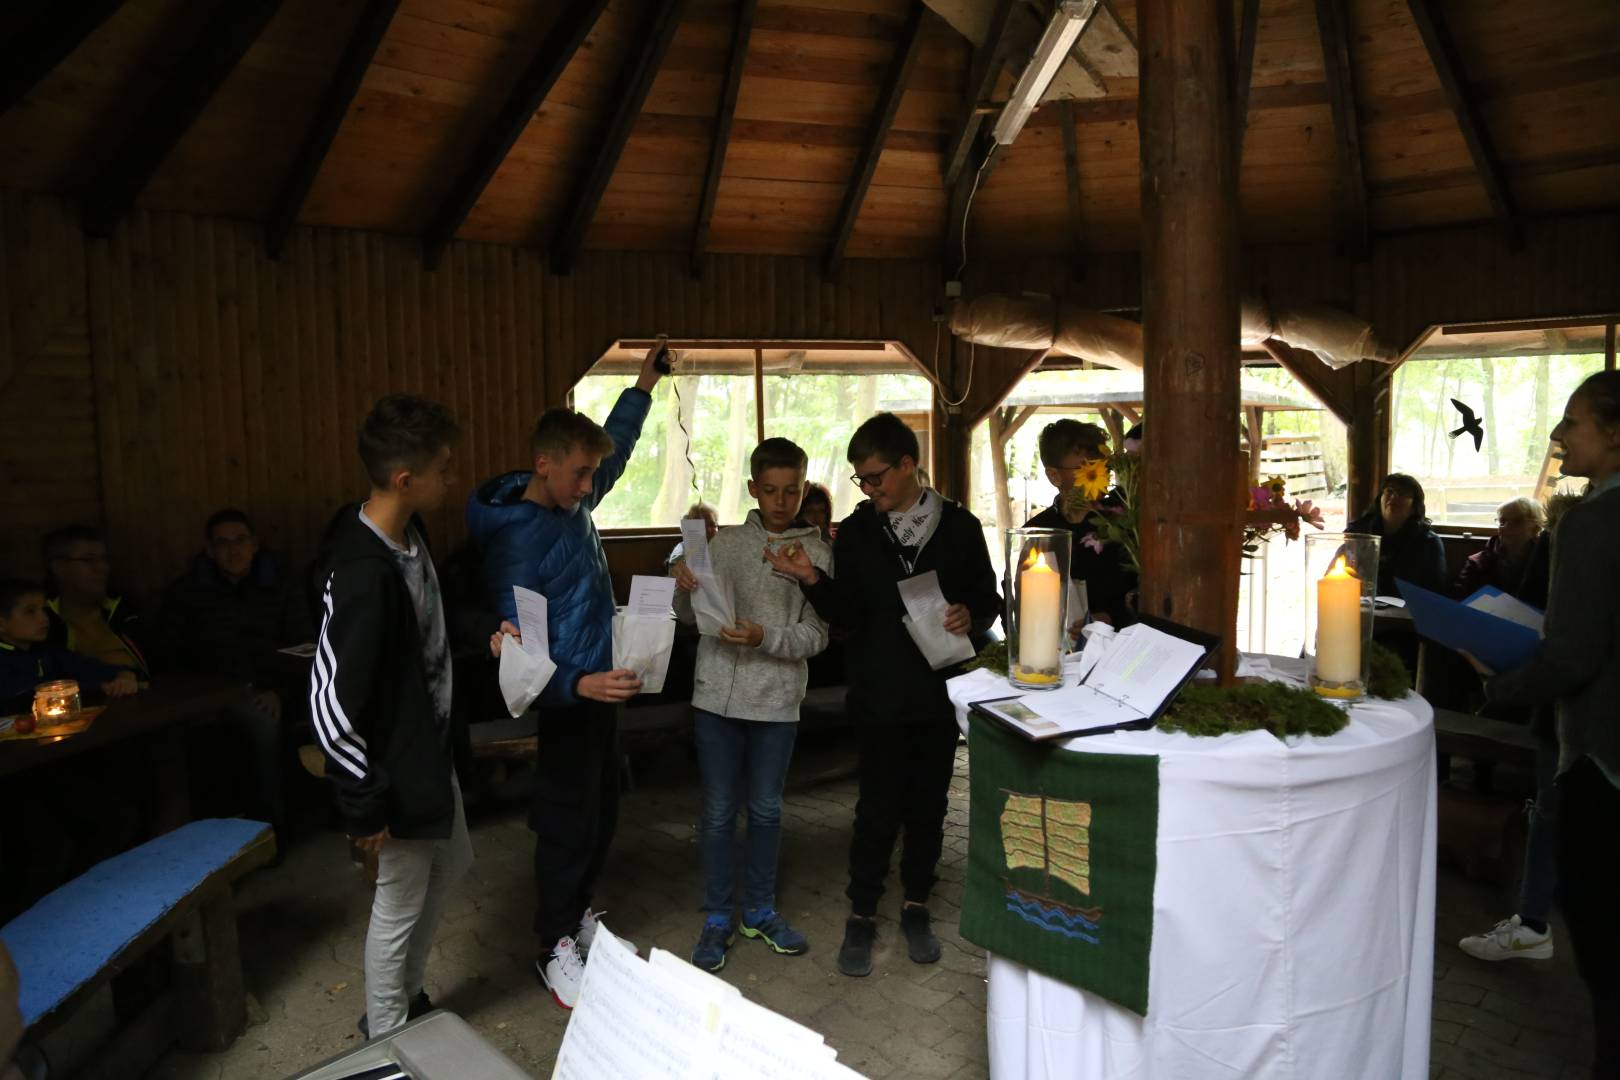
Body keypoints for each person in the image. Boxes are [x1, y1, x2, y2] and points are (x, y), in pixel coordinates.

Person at [765, 413, 1000, 978]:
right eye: (861, 481)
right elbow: (847, 613)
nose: (868, 490)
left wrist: (972, 613)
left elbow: (988, 600)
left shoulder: (960, 528)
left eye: (876, 478)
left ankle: (917, 903)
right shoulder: (861, 532)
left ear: (907, 465)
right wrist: (811, 581)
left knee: (930, 806)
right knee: (875, 808)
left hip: (937, 694)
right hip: (876, 695)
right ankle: (863, 911)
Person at [466, 343, 665, 1008]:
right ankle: (553, 944)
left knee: (603, 813)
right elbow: (515, 662)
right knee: (563, 823)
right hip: (565, 702)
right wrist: (578, 686)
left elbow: (619, 445)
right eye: (580, 475)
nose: (590, 488)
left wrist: (643, 385)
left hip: (600, 694)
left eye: (591, 478)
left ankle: (579, 916)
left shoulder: (572, 503)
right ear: (543, 464)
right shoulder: (514, 541)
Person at [309, 395, 485, 1041]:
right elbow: (329, 700)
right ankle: (387, 1031)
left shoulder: (411, 534)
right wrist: (364, 804)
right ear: (406, 479)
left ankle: (408, 996)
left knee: (454, 861)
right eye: (444, 468)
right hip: (396, 767)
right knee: (400, 901)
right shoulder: (359, 570)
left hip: (432, 750)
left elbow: (428, 630)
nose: (453, 478)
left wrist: (485, 630)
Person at [1462, 371, 1620, 1078]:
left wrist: (1501, 686)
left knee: (1605, 943)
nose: (1558, 435)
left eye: (1574, 421)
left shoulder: (1591, 520)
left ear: (1615, 434)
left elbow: (1575, 656)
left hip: (1602, 755)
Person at [671, 438, 831, 973]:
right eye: (770, 491)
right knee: (717, 812)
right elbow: (693, 618)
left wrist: (766, 636)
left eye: (792, 491)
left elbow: (817, 635)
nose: (781, 502)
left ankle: (759, 911)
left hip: (778, 701)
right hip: (715, 696)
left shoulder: (818, 552)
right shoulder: (725, 543)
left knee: (765, 810)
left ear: (804, 488)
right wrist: (681, 583)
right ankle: (717, 915)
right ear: (752, 490)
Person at [157, 509, 315, 827]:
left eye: (240, 540)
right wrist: (198, 697)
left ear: (254, 544)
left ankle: (271, 829)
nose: (233, 550)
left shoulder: (281, 585)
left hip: (269, 689)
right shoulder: (187, 593)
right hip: (207, 693)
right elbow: (170, 652)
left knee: (263, 725)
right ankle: (202, 838)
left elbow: (305, 647)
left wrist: (278, 692)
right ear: (210, 550)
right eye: (223, 543)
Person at [1022, 419, 1136, 627]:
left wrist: (1110, 618)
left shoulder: (1124, 523)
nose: (1099, 474)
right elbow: (1015, 605)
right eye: (1086, 468)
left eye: (1103, 466)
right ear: (1054, 475)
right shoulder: (1036, 533)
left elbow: (1143, 594)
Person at [0, 578, 136, 714]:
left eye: (44, 610)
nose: (44, 618)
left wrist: (123, 675)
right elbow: (26, 694)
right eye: (30, 612)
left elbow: (86, 667)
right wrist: (100, 687)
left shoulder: (45, 650)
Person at [41, 525, 150, 680]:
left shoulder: (124, 610)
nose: (101, 568)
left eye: (104, 559)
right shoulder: (41, 621)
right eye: (88, 560)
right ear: (58, 567)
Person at [1346, 474, 1447, 596]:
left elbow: (1436, 591)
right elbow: (1335, 575)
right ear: (1380, 499)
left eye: (1402, 493)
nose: (1393, 497)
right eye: (1389, 491)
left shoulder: (1429, 542)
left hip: (1408, 611)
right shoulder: (1358, 534)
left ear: (1414, 507)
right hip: (1363, 606)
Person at [1451, 497, 1547, 603]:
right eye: (1502, 521)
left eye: (1517, 521)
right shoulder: (1477, 563)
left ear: (1536, 526)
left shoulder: (1548, 563)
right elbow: (1459, 599)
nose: (1506, 527)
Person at [666, 501, 719, 569]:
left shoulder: (720, 548)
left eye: (712, 525)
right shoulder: (682, 547)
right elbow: (674, 565)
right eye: (701, 525)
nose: (708, 530)